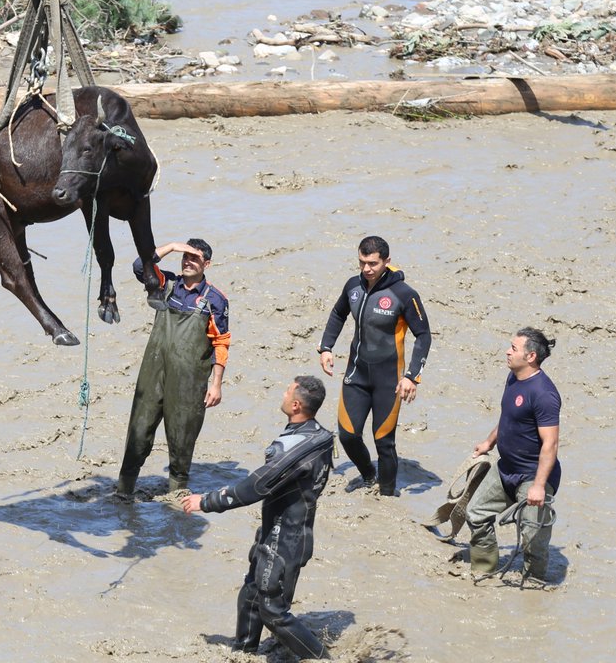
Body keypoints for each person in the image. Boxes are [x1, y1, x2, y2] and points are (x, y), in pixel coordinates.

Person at [182, 376, 334, 659]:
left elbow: (254, 487)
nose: (283, 394)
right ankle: (244, 652)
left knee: (274, 612)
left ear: (296, 405)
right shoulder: (318, 436)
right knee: (251, 595)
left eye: (287, 391)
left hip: (286, 539)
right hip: (278, 531)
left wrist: (206, 501)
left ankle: (320, 658)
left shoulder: (293, 450)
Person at [317, 235, 431, 496]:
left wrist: (412, 376)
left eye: (372, 263)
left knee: (384, 441)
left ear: (386, 261)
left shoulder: (404, 294)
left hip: (389, 380)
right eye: (362, 262)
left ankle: (388, 495)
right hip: (356, 374)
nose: (366, 269)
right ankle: (368, 475)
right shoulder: (353, 286)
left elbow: (424, 335)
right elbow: (338, 314)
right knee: (347, 435)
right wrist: (326, 347)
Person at [116, 239, 231, 497]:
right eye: (185, 256)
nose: (188, 262)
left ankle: (177, 497)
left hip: (189, 380)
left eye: (195, 258)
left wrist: (216, 384)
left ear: (207, 264)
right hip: (153, 372)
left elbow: (221, 343)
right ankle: (123, 492)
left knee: (182, 436)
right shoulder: (165, 284)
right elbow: (139, 266)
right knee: (139, 430)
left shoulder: (215, 300)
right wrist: (171, 247)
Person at [466, 327, 561, 581]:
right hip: (505, 468)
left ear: (530, 357)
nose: (507, 352)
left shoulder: (544, 394)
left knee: (532, 536)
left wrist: (539, 486)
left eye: (514, 348)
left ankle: (534, 585)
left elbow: (550, 444)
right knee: (475, 513)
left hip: (533, 476)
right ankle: (484, 570)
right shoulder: (513, 378)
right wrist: (489, 442)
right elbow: (509, 418)